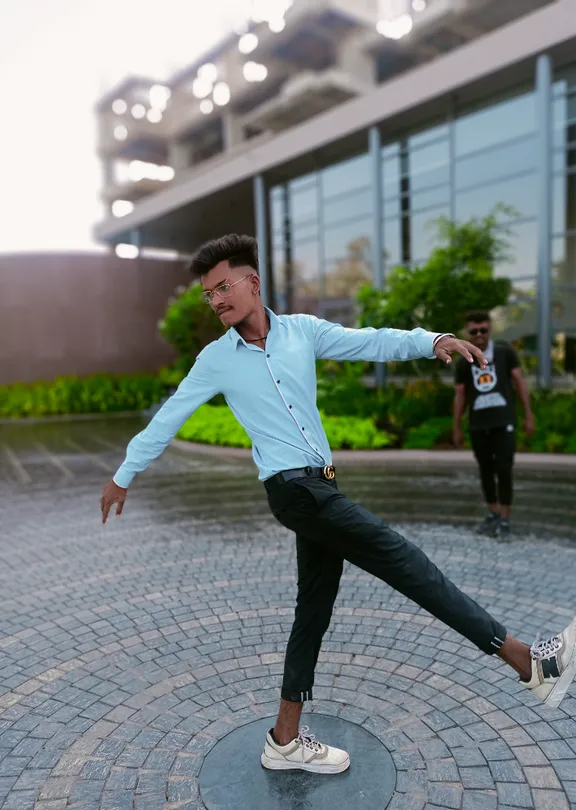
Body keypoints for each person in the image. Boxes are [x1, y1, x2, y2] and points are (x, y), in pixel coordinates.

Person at [101, 235, 574, 776]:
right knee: (405, 561)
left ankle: (283, 740)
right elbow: (168, 417)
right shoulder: (215, 360)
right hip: (295, 492)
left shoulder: (302, 332)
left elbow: (369, 341)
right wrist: (123, 475)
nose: (217, 301)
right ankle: (527, 662)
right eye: (209, 295)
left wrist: (431, 339)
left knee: (313, 612)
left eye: (224, 287)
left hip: (321, 487)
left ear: (253, 283)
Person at [453, 311, 536, 540]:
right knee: (485, 470)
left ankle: (505, 518)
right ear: (467, 333)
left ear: (490, 329)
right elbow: (460, 395)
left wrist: (528, 414)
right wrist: (457, 426)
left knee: (504, 468)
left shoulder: (504, 353)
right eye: (473, 331)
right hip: (479, 424)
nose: (479, 335)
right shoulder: (463, 362)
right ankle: (493, 513)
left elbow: (519, 381)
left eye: (483, 330)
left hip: (503, 421)